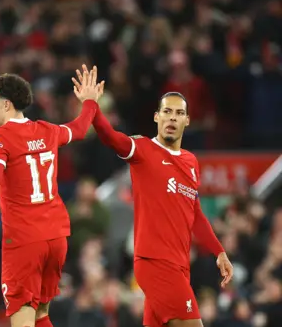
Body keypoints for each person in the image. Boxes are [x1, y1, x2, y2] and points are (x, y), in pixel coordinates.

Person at [75, 64, 234, 327]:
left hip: (180, 266)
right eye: (167, 112)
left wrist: (218, 251)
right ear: (156, 117)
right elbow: (112, 137)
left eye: (179, 113)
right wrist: (92, 105)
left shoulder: (191, 162)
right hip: (156, 262)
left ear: (187, 120)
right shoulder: (143, 149)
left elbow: (193, 213)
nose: (172, 118)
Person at [0, 68, 103, 327]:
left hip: (25, 240)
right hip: (55, 238)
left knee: (24, 321)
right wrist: (90, 101)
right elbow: (81, 129)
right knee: (41, 316)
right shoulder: (47, 130)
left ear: (7, 104)